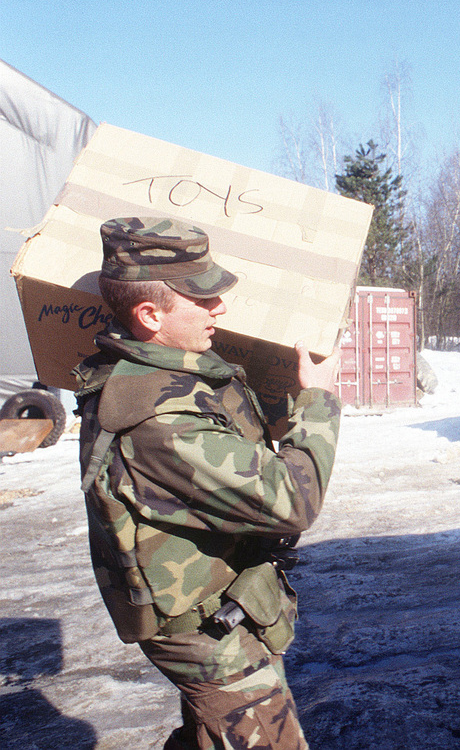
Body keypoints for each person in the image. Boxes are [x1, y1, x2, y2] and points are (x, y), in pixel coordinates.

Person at [74, 217, 343, 749]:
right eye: (202, 298)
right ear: (150, 315)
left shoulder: (153, 366)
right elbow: (291, 500)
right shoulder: (160, 421)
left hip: (214, 606)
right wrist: (321, 403)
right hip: (209, 637)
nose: (221, 307)